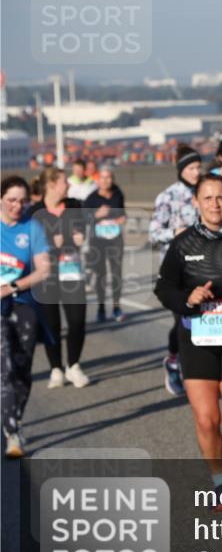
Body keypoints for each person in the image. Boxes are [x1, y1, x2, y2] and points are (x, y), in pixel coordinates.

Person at [154, 174, 222, 507]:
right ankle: (221, 483)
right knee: (206, 419)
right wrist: (188, 297)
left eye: (220, 198)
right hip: (196, 339)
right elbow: (164, 288)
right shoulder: (183, 243)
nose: (215, 204)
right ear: (196, 203)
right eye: (208, 198)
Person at [1, 176, 51, 458]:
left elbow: (44, 270)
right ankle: (12, 434)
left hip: (24, 302)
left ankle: (16, 417)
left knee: (23, 370)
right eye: (11, 200)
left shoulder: (32, 228)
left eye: (22, 201)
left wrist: (13, 286)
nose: (17, 206)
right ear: (0, 199)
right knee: (4, 370)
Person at [28, 167, 90, 389]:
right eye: (65, 181)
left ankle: (73, 365)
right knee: (51, 324)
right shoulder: (34, 212)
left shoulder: (74, 206)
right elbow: (33, 245)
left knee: (77, 321)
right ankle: (56, 368)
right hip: (46, 277)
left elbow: (80, 233)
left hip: (72, 272)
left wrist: (78, 237)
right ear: (52, 185)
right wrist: (53, 243)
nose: (69, 185)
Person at [150, 145, 202, 396]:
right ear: (182, 169)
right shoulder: (166, 197)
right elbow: (153, 233)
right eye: (191, 168)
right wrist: (175, 233)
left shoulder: (205, 193)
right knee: (182, 320)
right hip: (175, 270)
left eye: (198, 167)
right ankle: (173, 361)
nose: (196, 172)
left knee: (201, 318)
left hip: (203, 267)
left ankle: (200, 370)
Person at [83, 166, 126, 323]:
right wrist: (96, 215)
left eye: (108, 177)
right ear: (97, 180)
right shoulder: (91, 198)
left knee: (116, 274)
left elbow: (122, 212)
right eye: (102, 178)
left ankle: (116, 307)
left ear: (112, 179)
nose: (106, 181)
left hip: (115, 239)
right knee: (101, 274)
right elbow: (83, 218)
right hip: (98, 241)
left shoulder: (118, 194)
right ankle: (101, 308)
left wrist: (122, 218)